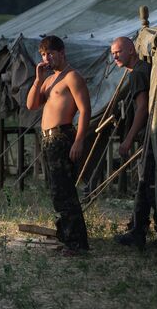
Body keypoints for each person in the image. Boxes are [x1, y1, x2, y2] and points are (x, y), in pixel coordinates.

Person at [26, 35, 91, 254]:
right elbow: (31, 105)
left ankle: (77, 244)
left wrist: (79, 140)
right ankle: (66, 237)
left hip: (63, 136)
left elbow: (85, 110)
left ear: (62, 52)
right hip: (48, 139)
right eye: (43, 54)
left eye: (50, 53)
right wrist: (37, 79)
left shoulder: (72, 77)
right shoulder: (48, 79)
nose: (47, 58)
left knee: (64, 192)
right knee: (56, 191)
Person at [110, 36, 157, 250]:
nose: (115, 57)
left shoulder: (138, 73)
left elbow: (142, 108)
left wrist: (128, 140)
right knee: (148, 182)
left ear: (131, 50)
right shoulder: (146, 68)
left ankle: (139, 232)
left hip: (151, 133)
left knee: (144, 181)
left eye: (118, 52)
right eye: (113, 54)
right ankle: (140, 228)